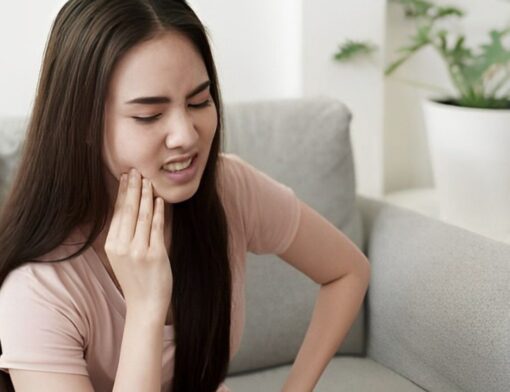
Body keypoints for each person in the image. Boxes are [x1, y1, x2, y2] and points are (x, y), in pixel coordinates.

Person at [0, 1, 371, 391]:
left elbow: (348, 271)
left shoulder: (229, 190)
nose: (187, 136)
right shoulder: (38, 287)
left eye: (199, 102)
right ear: (82, 124)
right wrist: (145, 308)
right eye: (149, 115)